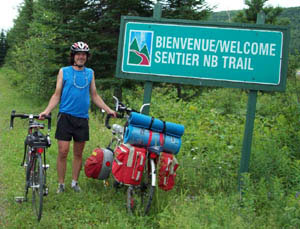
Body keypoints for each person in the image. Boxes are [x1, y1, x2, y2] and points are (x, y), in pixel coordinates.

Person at [39, 41, 116, 193]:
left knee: (78, 153)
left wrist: (108, 109)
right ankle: (61, 184)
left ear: (86, 57)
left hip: (82, 118)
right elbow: (57, 95)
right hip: (66, 116)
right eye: (78, 54)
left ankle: (74, 182)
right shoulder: (64, 71)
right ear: (73, 56)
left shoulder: (90, 73)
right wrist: (47, 111)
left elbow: (94, 95)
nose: (81, 57)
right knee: (63, 151)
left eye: (84, 54)